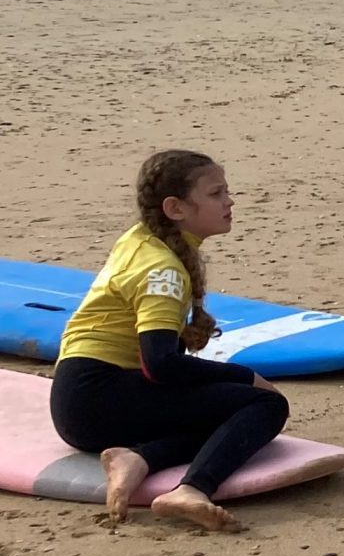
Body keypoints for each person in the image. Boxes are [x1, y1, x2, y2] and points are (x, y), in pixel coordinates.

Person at [48, 150, 287, 532]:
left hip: (80, 403)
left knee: (221, 408)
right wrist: (246, 377)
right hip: (99, 398)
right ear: (175, 208)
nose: (229, 202)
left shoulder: (142, 239)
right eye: (216, 193)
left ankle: (139, 458)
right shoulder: (163, 270)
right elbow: (160, 366)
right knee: (265, 405)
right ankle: (191, 490)